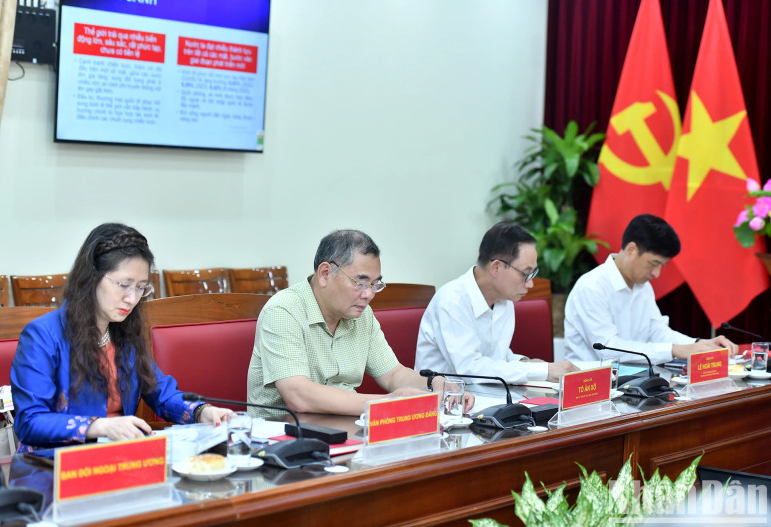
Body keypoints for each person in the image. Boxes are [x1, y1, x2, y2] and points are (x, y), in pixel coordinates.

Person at [10, 223, 230, 451]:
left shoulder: (122, 333)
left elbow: (162, 393)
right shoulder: (43, 335)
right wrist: (100, 426)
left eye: (141, 288)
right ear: (91, 278)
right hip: (54, 467)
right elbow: (30, 421)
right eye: (124, 285)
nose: (132, 299)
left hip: (116, 460)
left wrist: (202, 411)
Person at [247, 229, 475, 418]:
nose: (369, 295)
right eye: (360, 283)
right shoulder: (284, 310)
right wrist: (385, 403)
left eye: (376, 285)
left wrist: (436, 383)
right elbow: (298, 395)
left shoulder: (361, 315)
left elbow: (393, 375)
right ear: (325, 273)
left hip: (342, 428)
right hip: (282, 437)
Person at [414, 222, 578, 384]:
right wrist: (542, 371)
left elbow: (495, 357)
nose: (530, 284)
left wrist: (525, 363)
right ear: (496, 268)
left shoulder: (504, 300)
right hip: (444, 404)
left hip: (487, 397)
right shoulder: (452, 301)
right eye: (525, 274)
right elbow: (471, 370)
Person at [564, 214, 738, 364]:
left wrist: (700, 344)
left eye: (662, 266)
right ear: (631, 250)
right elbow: (608, 349)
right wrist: (673, 350)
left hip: (633, 382)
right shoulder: (591, 287)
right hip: (589, 389)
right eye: (653, 264)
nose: (656, 274)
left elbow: (657, 331)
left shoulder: (643, 286)